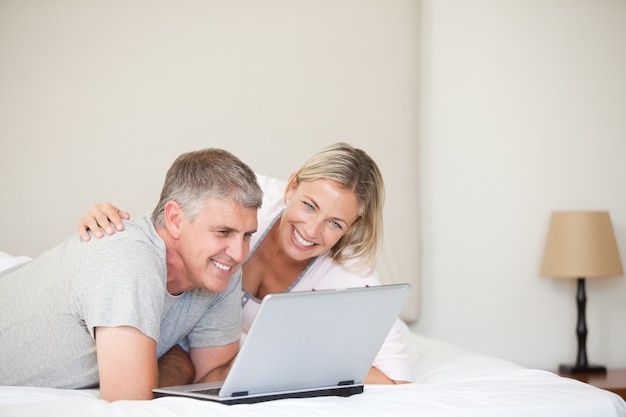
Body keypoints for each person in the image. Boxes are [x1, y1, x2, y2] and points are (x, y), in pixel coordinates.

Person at [79, 142, 411, 384]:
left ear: (350, 228)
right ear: (292, 186)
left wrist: (302, 354)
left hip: (208, 356)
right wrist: (114, 226)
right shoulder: (250, 198)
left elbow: (396, 381)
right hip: (177, 330)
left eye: (335, 223)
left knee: (179, 373)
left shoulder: (352, 274)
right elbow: (173, 228)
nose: (311, 231)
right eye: (309, 206)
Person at [0, 148, 263, 401]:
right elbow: (130, 403)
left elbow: (209, 383)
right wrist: (178, 361)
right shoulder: (128, 258)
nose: (239, 253)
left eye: (247, 235)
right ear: (174, 219)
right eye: (222, 232)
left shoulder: (220, 269)